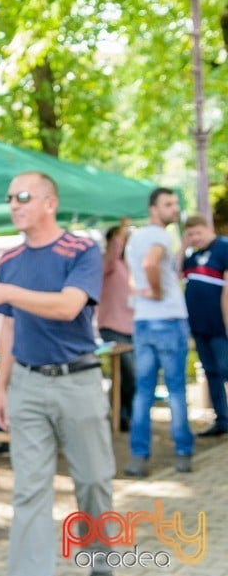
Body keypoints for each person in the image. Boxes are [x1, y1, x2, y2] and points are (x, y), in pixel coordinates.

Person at [0, 172, 115, 576]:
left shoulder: (82, 249)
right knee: (29, 489)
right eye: (11, 197)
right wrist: (4, 388)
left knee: (94, 481)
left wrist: (7, 293)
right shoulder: (11, 261)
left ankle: (101, 570)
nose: (14, 204)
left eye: (25, 196)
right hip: (29, 384)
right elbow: (10, 331)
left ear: (50, 202)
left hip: (78, 382)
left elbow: (70, 307)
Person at [123, 188, 193, 477]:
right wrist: (158, 290)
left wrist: (147, 290)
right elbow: (150, 263)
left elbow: (140, 272)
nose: (174, 209)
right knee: (176, 389)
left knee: (143, 392)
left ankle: (139, 457)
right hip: (168, 319)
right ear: (154, 208)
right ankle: (183, 452)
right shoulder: (159, 235)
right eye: (168, 204)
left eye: (176, 204)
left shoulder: (134, 238)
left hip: (143, 321)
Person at [182, 214, 228, 437]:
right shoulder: (193, 256)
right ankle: (222, 420)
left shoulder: (223, 248)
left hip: (220, 326)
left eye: (197, 233)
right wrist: (183, 245)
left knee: (225, 368)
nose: (194, 238)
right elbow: (174, 271)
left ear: (208, 228)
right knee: (212, 373)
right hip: (200, 327)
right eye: (190, 234)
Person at [96, 225, 135, 431]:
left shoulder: (126, 264)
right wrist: (121, 228)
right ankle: (121, 415)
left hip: (131, 327)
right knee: (129, 373)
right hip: (111, 325)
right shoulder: (107, 261)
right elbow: (113, 251)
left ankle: (123, 414)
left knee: (128, 377)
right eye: (121, 238)